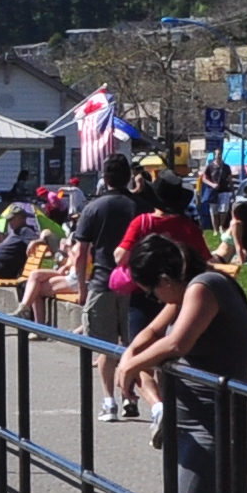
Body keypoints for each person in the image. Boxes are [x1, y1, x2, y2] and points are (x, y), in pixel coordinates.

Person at [111, 228, 247, 426]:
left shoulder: (204, 286)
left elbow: (176, 344)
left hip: (218, 422)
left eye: (152, 292)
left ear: (165, 280)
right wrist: (129, 354)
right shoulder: (183, 294)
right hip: (190, 420)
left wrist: (132, 366)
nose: (157, 300)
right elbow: (153, 331)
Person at [73, 155, 145, 373]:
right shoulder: (142, 206)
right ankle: (129, 390)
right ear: (129, 177)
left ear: (105, 179)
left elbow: (81, 253)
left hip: (103, 282)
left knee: (104, 348)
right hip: (137, 285)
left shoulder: (93, 208)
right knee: (135, 347)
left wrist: (82, 287)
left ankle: (108, 393)